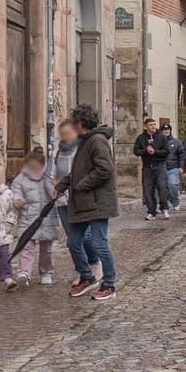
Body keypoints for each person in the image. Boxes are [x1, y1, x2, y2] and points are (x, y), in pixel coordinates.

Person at [59, 104, 119, 301]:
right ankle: (87, 276)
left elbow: (105, 170)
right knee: (74, 242)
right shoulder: (85, 142)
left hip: (96, 202)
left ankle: (109, 284)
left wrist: (82, 185)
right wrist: (62, 185)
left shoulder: (97, 141)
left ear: (80, 123)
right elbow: (79, 171)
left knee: (99, 243)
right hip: (83, 202)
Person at [53, 120, 100, 285]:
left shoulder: (83, 150)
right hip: (62, 201)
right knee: (73, 239)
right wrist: (55, 187)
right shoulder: (57, 152)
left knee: (85, 237)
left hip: (79, 198)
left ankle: (94, 262)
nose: (65, 137)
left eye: (68, 133)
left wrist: (76, 185)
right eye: (62, 134)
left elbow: (84, 172)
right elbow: (50, 174)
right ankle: (82, 271)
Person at [10, 148, 59, 286]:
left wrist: (57, 188)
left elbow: (58, 192)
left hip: (47, 218)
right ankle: (24, 273)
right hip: (27, 218)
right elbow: (14, 193)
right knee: (26, 246)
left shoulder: (49, 177)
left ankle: (46, 272)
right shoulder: (20, 179)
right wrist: (17, 200)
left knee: (47, 249)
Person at [132, 118, 170, 220]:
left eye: (154, 124)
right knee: (148, 190)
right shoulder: (141, 138)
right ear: (145, 126)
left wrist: (155, 152)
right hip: (147, 167)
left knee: (162, 187)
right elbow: (136, 151)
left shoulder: (161, 137)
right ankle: (151, 211)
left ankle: (164, 207)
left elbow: (166, 151)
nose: (153, 126)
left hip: (160, 165)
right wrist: (145, 150)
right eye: (150, 125)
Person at [161, 123, 185, 212]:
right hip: (161, 168)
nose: (167, 131)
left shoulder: (176, 142)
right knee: (162, 187)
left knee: (172, 185)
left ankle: (175, 202)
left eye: (168, 129)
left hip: (173, 168)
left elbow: (182, 155)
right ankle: (164, 204)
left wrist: (181, 167)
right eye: (164, 130)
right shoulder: (158, 141)